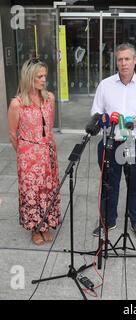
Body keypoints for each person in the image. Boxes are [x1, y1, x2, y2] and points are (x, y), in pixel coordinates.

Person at [91, 43, 136, 241]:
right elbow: (95, 112)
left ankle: (135, 221)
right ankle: (108, 221)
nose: (124, 63)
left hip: (134, 143)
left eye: (127, 59)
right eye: (120, 59)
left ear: (135, 60)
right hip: (110, 143)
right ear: (116, 62)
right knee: (108, 184)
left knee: (135, 185)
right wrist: (103, 119)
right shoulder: (105, 85)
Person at [7, 58, 61, 245]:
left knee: (48, 190)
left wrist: (45, 147)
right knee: (32, 192)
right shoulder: (17, 103)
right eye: (39, 76)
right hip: (29, 156)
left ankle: (46, 225)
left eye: (45, 76)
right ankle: (35, 229)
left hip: (48, 152)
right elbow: (12, 133)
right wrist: (25, 152)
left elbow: (50, 126)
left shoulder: (49, 98)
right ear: (29, 77)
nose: (43, 80)